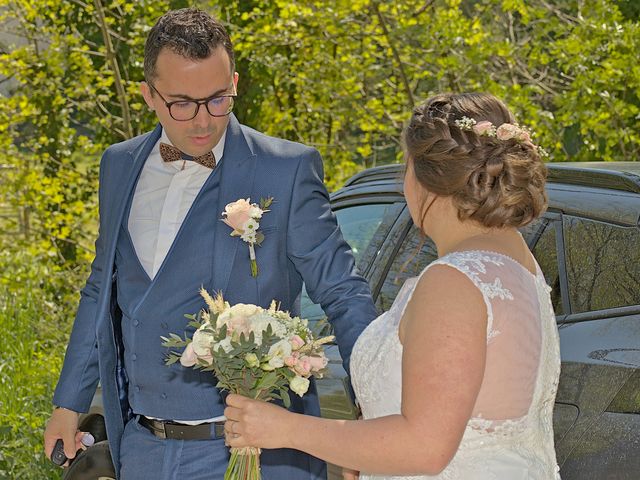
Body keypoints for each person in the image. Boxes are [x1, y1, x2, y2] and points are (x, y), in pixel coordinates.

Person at [43, 8, 378, 480]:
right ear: (148, 96)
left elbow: (343, 292)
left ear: (235, 82)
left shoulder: (285, 171)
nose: (203, 121)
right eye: (182, 103)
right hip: (142, 448)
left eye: (218, 99)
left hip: (259, 455)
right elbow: (102, 287)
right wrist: (68, 402)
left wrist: (376, 397)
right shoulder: (118, 165)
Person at [224, 92, 562, 479]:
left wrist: (283, 428)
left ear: (425, 178)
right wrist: (367, 454)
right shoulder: (518, 263)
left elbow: (424, 447)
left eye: (406, 166)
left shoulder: (454, 281)